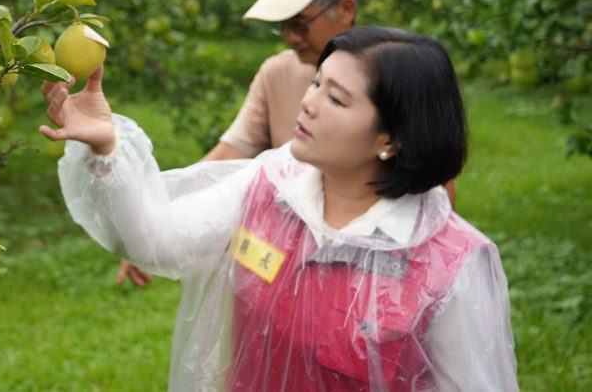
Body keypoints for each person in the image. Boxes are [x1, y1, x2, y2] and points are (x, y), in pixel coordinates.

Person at [41, 27, 517, 391]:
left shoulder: (449, 265)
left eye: (335, 98)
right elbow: (156, 240)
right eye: (315, 84)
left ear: (389, 139)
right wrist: (107, 150)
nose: (308, 105)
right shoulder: (271, 187)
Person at [121, 0, 360, 287]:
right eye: (282, 26)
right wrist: (156, 223)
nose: (290, 37)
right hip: (290, 266)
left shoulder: (390, 79)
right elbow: (229, 153)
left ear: (346, 9)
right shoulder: (277, 73)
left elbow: (433, 183)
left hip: (361, 262)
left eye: (300, 24)